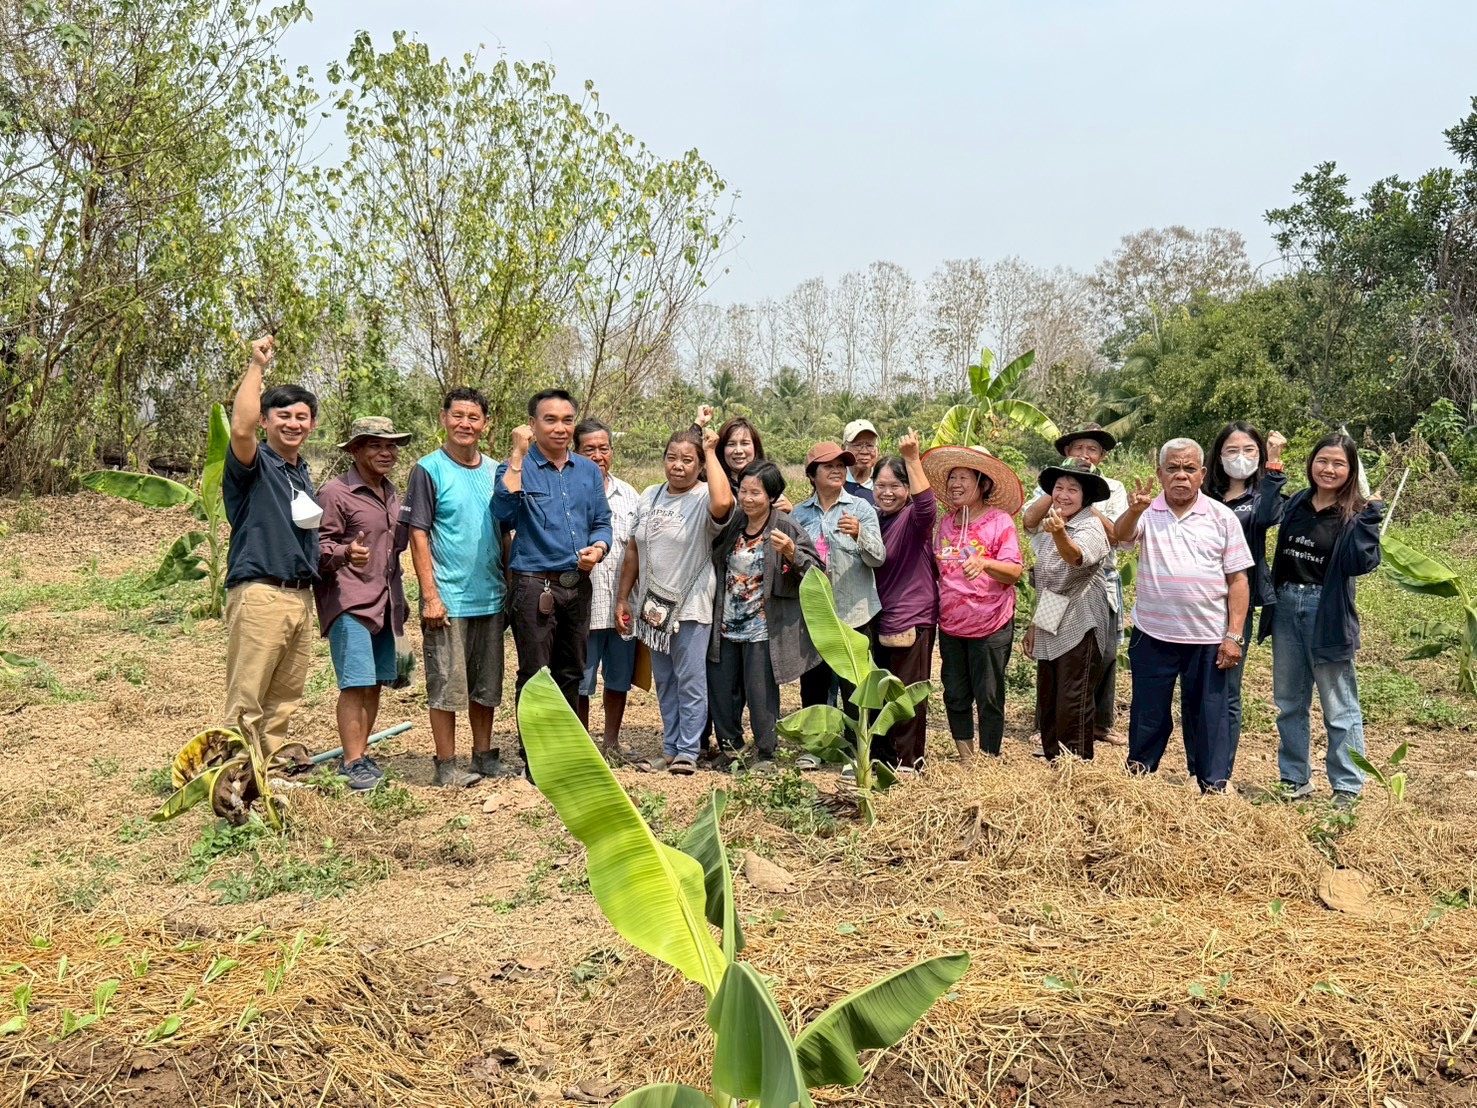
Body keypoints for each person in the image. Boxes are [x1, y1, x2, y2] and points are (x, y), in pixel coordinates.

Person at [1115, 439, 1254, 793]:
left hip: (1207, 637)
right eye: (1173, 469)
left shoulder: (1221, 517)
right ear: (1160, 474)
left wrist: (1234, 635)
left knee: (1208, 716)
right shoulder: (1147, 513)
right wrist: (1133, 510)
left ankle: (1212, 785)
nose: (1181, 476)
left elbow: (1238, 580)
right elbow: (1121, 537)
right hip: (1153, 635)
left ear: (1202, 474)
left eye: (1189, 469)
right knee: (1148, 713)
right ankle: (1139, 779)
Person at [1261, 434, 1382, 807]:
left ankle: (1346, 786)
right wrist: (1273, 463)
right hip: (1285, 604)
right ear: (1312, 463)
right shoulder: (1297, 502)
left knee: (1337, 702)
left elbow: (1363, 563)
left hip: (1324, 611)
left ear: (1351, 470)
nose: (1329, 469)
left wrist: (1371, 518)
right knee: (1289, 699)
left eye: (1339, 464)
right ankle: (1294, 778)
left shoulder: (1357, 513)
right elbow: (1266, 510)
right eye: (1322, 461)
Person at [222, 334, 319, 769]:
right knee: (248, 694)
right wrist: (256, 366)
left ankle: (273, 768)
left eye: (302, 417)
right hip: (260, 591)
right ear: (266, 421)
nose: (293, 423)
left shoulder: (302, 472)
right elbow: (239, 427)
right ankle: (235, 773)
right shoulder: (254, 461)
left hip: (300, 596)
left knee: (284, 696)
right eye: (283, 415)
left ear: (312, 425)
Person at [615, 427, 734, 774]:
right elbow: (634, 548)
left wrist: (711, 451)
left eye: (687, 460)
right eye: (671, 457)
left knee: (690, 680)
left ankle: (688, 750)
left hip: (690, 607)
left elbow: (724, 503)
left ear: (699, 466)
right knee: (665, 680)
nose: (677, 466)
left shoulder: (703, 497)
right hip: (653, 612)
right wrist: (624, 597)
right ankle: (669, 747)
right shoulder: (649, 495)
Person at [495, 389, 613, 739]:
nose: (560, 428)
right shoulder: (516, 468)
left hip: (578, 584)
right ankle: (535, 754)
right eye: (550, 420)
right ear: (532, 425)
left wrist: (599, 548)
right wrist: (517, 454)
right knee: (535, 673)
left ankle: (566, 750)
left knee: (572, 672)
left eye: (566, 420)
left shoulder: (589, 471)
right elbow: (502, 513)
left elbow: (602, 521)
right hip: (534, 586)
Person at [407, 388, 508, 788]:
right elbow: (418, 535)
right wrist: (430, 596)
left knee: (486, 684)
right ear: (443, 418)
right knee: (447, 684)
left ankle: (484, 757)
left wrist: (510, 587)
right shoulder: (428, 470)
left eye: (474, 417)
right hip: (447, 598)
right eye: (458, 416)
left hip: (491, 595)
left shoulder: (497, 471)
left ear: (486, 423)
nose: (465, 424)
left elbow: (505, 533)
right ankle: (446, 765)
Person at [314, 417, 412, 790]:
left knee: (374, 683)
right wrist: (343, 552)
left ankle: (359, 754)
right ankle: (352, 761)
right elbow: (317, 549)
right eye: (375, 445)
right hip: (349, 601)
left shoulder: (391, 492)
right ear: (355, 450)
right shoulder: (335, 493)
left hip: (385, 601)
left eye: (391, 446)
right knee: (354, 684)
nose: (386, 453)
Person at [707, 460, 821, 770]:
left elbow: (816, 570)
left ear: (772, 496)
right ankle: (731, 748)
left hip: (762, 627)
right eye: (743, 490)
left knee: (761, 694)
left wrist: (791, 553)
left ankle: (767, 752)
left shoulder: (785, 526)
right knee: (722, 689)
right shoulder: (734, 523)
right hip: (726, 622)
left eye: (755, 493)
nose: (747, 498)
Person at [1022, 423, 1129, 747]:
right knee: (1052, 671)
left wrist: (1082, 502)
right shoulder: (1053, 495)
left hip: (1086, 597)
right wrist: (1060, 486)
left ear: (1102, 456)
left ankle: (1077, 753)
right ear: (1067, 453)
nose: (1085, 454)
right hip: (1054, 596)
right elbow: (1028, 522)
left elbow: (1082, 555)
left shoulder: (1091, 517)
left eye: (1092, 450)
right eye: (1079, 449)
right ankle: (1053, 744)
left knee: (1079, 676)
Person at [921, 444, 1024, 762]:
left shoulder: (999, 522)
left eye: (963, 477)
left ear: (983, 483)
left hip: (991, 623)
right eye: (951, 478)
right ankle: (966, 758)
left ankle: (990, 757)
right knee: (954, 692)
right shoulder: (946, 524)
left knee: (989, 695)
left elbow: (1014, 571)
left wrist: (985, 564)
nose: (955, 484)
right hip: (951, 625)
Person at [1205, 422, 1288, 767]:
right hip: (1198, 601)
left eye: (1248, 450)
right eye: (1232, 450)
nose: (1240, 457)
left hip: (1238, 602)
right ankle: (1200, 763)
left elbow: (1268, 517)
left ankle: (1221, 770)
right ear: (1219, 455)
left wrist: (1274, 463)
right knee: (1201, 686)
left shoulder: (1262, 497)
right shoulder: (1203, 495)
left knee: (1228, 688)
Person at [790, 442, 886, 715]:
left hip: (855, 613)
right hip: (816, 617)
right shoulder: (799, 514)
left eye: (841, 466)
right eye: (828, 466)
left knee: (857, 687)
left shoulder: (861, 509)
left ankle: (860, 748)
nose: (837, 470)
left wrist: (859, 534)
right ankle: (816, 749)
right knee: (814, 685)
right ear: (811, 474)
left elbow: (878, 558)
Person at [869, 431, 937, 773]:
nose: (887, 492)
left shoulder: (912, 518)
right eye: (880, 486)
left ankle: (910, 760)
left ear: (907, 489)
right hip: (879, 618)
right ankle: (881, 756)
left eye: (895, 485)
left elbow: (928, 507)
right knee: (880, 693)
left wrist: (912, 458)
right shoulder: (874, 520)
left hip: (912, 616)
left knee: (908, 693)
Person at [574, 418, 641, 760]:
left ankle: (611, 743)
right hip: (581, 607)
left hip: (621, 605)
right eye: (589, 449)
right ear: (576, 452)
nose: (598, 455)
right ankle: (585, 746)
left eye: (604, 448)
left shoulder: (629, 494)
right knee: (582, 682)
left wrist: (627, 598)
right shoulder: (567, 492)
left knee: (618, 679)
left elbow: (636, 549)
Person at [714, 416, 793, 510]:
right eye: (731, 444)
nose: (738, 450)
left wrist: (789, 509)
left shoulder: (769, 478)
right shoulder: (713, 483)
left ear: (755, 447)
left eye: (745, 443)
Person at [842, 419, 880, 505]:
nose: (865, 451)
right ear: (844, 449)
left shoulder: (884, 482)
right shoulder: (836, 480)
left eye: (870, 445)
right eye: (858, 445)